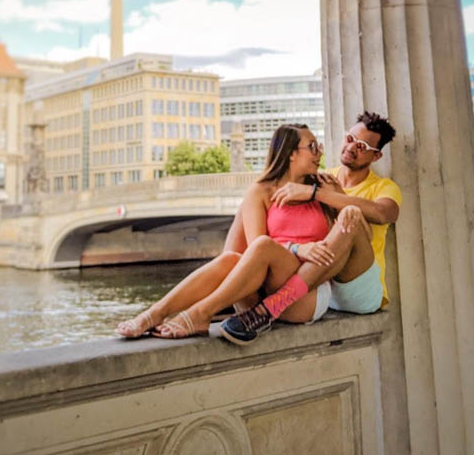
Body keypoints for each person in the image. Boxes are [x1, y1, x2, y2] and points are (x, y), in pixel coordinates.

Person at [116, 123, 369, 339]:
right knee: (233, 258)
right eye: (312, 147)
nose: (319, 153)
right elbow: (254, 256)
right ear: (291, 153)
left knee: (261, 245)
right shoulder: (259, 192)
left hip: (305, 296)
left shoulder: (323, 187)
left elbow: (355, 233)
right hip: (262, 292)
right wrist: (296, 247)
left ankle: (199, 314)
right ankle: (155, 313)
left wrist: (331, 194)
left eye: (319, 147)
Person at [219, 111, 400, 344]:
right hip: (320, 283)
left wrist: (318, 194)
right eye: (350, 139)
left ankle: (269, 308)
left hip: (355, 283)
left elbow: (384, 213)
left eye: (363, 146)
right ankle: (225, 295)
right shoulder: (322, 177)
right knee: (248, 203)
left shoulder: (382, 186)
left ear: (376, 156)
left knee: (350, 216)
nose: (352, 147)